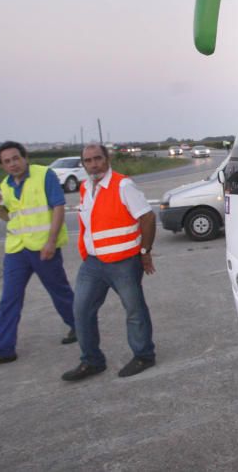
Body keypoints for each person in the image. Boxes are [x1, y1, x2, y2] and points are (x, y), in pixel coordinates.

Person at [0, 141, 77, 370]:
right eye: (7, 161)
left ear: (25, 157)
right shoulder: (5, 185)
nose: (13, 164)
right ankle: (2, 349)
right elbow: (9, 217)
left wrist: (50, 242)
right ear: (2, 165)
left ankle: (79, 326)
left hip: (43, 247)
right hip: (16, 250)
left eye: (16, 158)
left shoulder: (44, 175)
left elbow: (58, 207)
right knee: (9, 298)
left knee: (59, 291)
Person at [62, 143, 157, 381]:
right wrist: (85, 252)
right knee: (81, 310)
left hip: (123, 262)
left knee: (134, 310)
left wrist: (144, 252)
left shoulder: (123, 185)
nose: (94, 164)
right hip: (93, 264)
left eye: (98, 159)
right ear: (83, 164)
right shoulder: (85, 187)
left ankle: (144, 355)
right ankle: (92, 361)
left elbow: (147, 217)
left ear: (107, 158)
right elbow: (88, 224)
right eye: (88, 160)